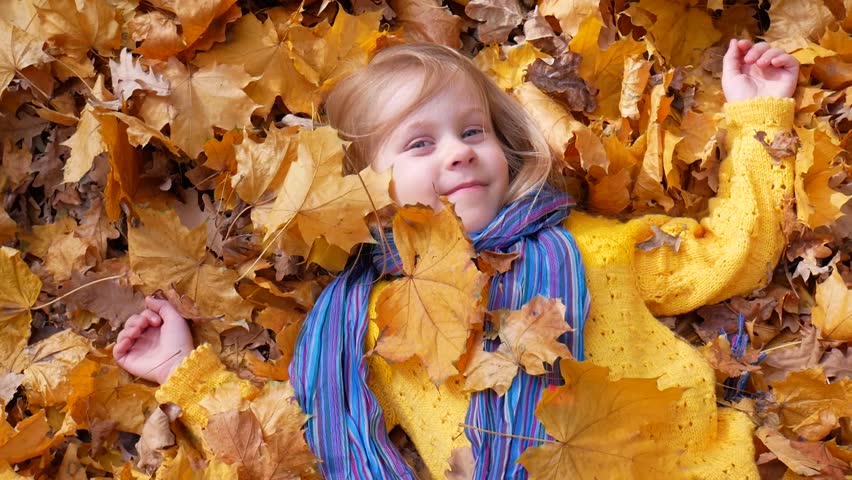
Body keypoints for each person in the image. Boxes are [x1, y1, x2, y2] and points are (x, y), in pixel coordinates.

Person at [114, 38, 799, 479]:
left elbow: (726, 257)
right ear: (365, 191)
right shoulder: (371, 323)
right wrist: (184, 372)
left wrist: (758, 115)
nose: (458, 151)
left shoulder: (590, 245)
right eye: (419, 144)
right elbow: (293, 441)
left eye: (472, 131)